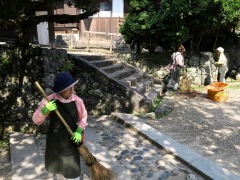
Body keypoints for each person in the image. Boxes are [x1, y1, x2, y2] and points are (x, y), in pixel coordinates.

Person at [32, 72, 88, 180]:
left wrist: (79, 130)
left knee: (73, 171)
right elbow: (36, 120)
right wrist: (45, 110)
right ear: (60, 90)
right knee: (58, 169)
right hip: (55, 140)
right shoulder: (49, 100)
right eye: (68, 89)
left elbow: (83, 117)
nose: (72, 91)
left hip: (71, 139)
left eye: (72, 87)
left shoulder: (77, 101)